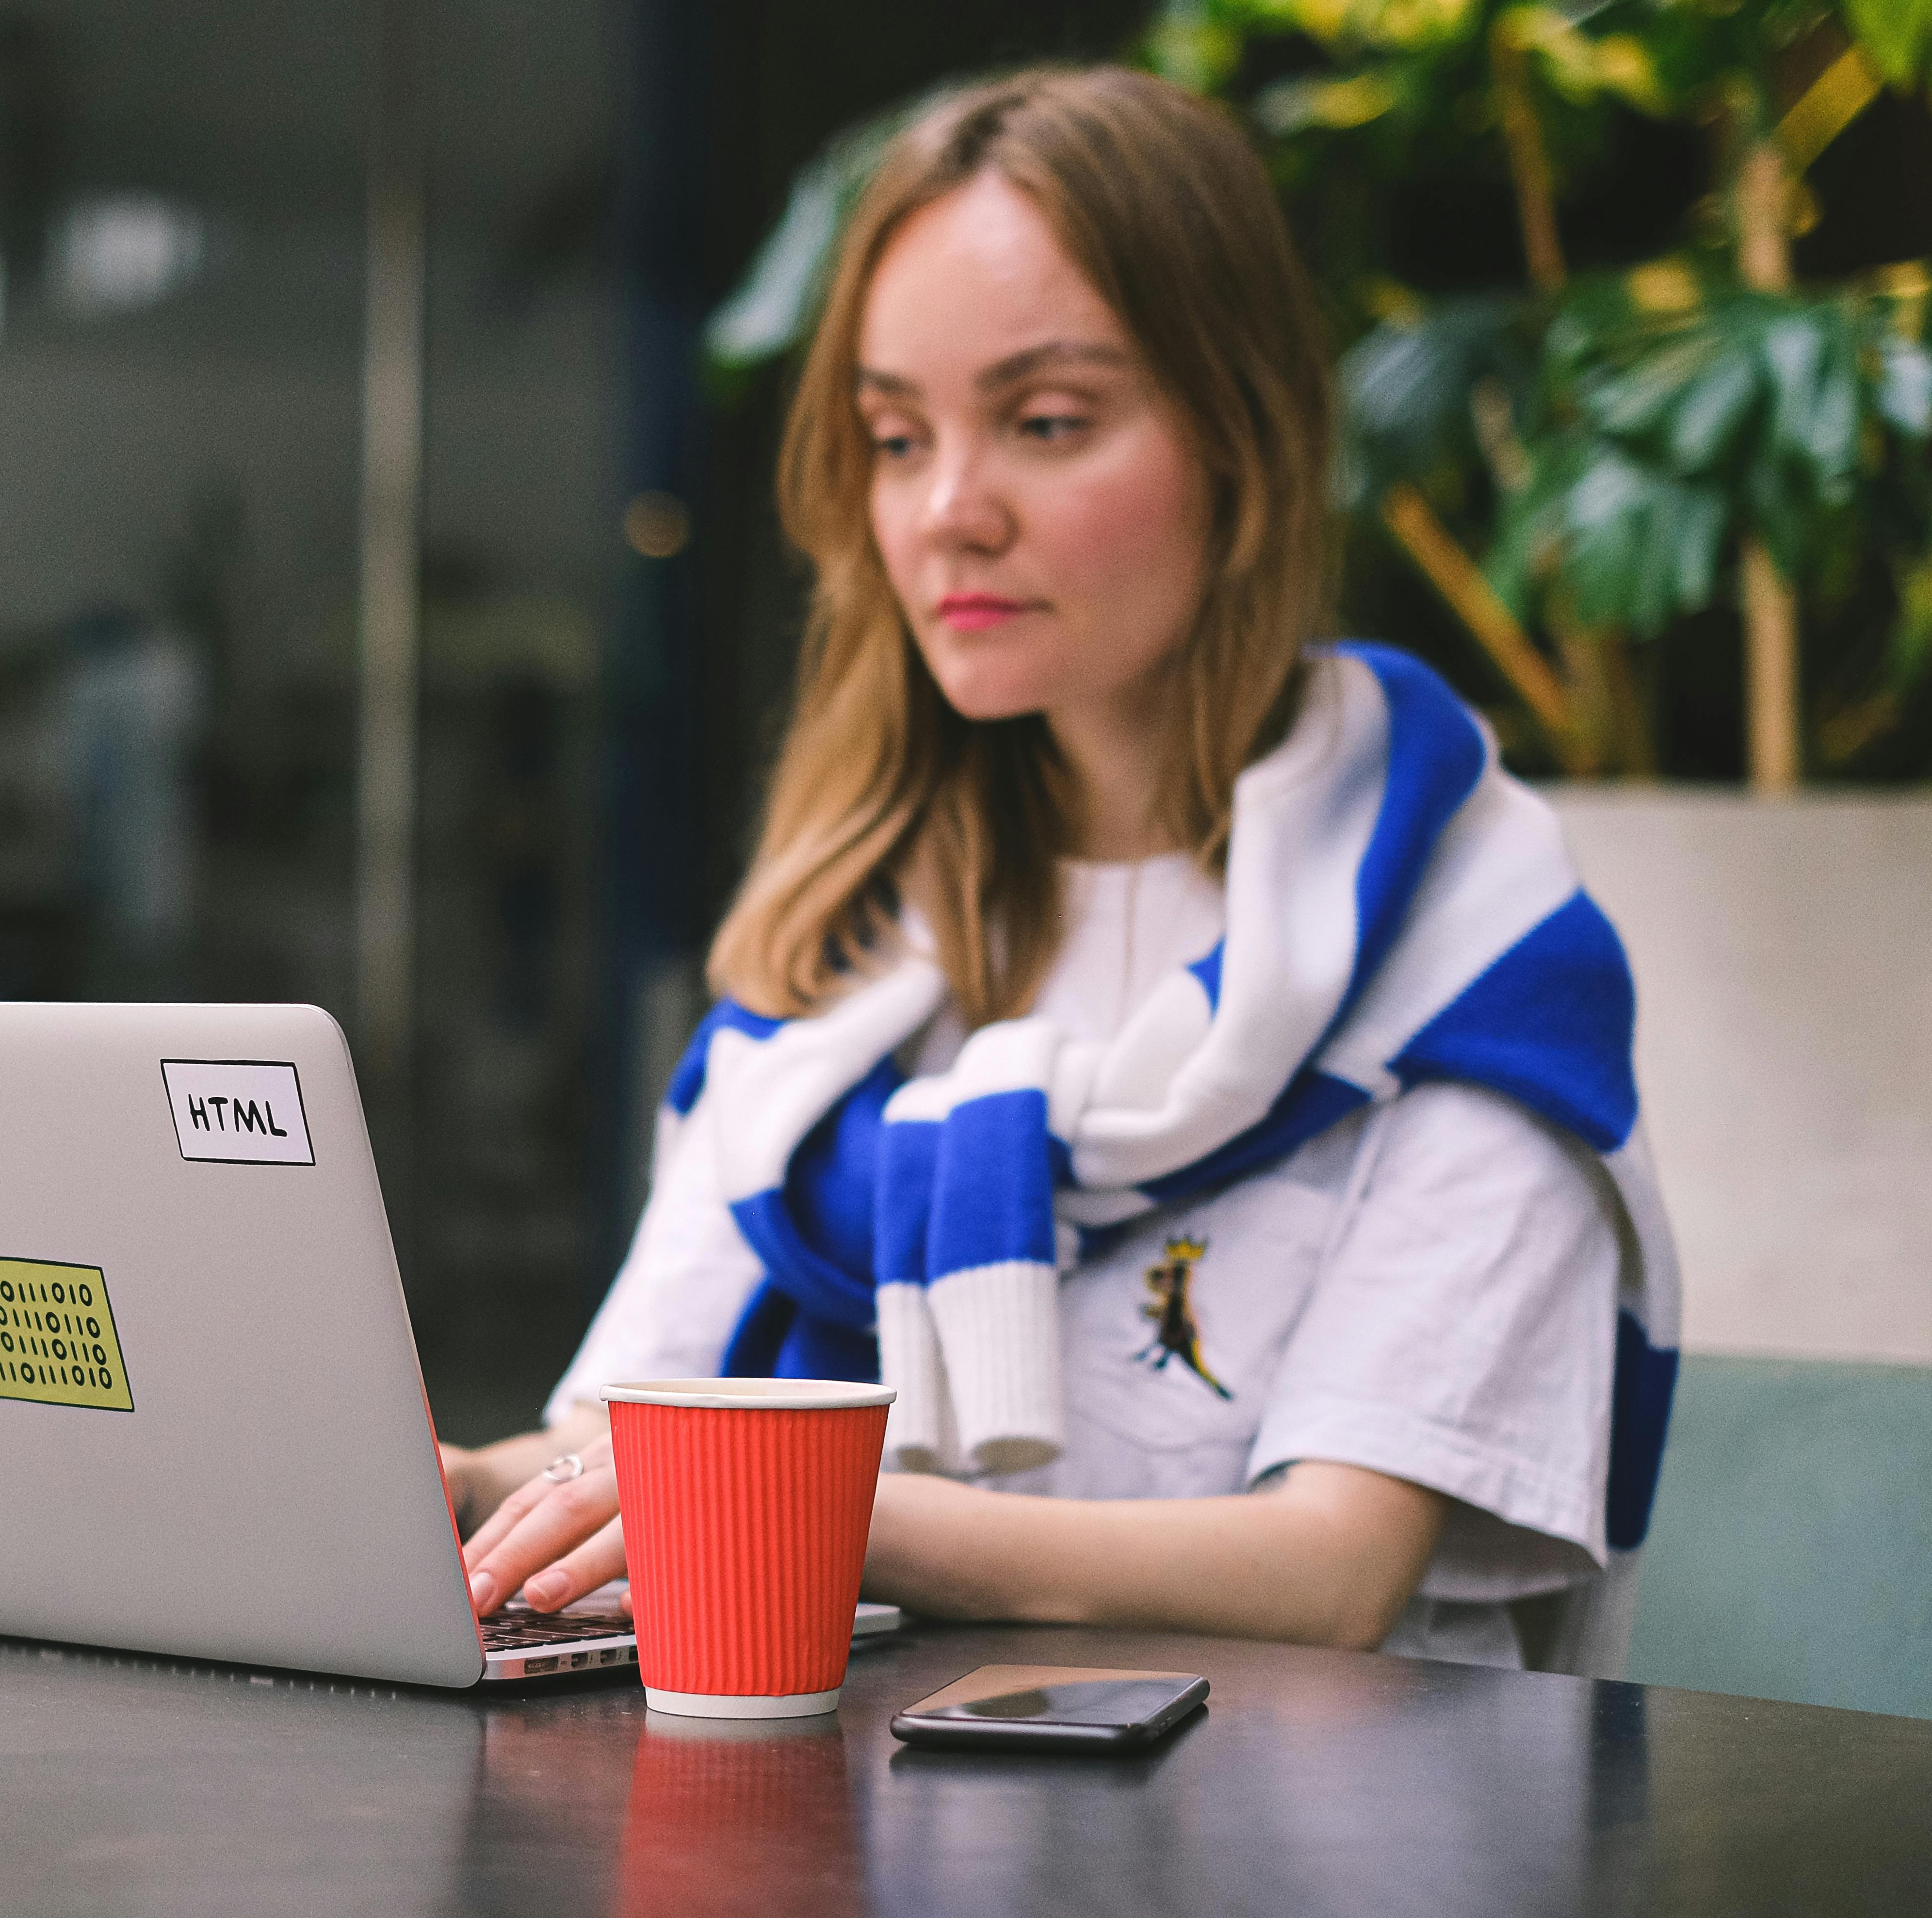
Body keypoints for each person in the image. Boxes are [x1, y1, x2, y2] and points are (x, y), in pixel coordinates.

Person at [439, 66, 1680, 1671]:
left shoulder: (1467, 951)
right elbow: (639, 1467)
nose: (947, 511)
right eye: (895, 436)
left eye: (1044, 422)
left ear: (1241, 442)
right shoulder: (839, 965)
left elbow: (1332, 1569)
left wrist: (833, 1508)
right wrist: (462, 1486)